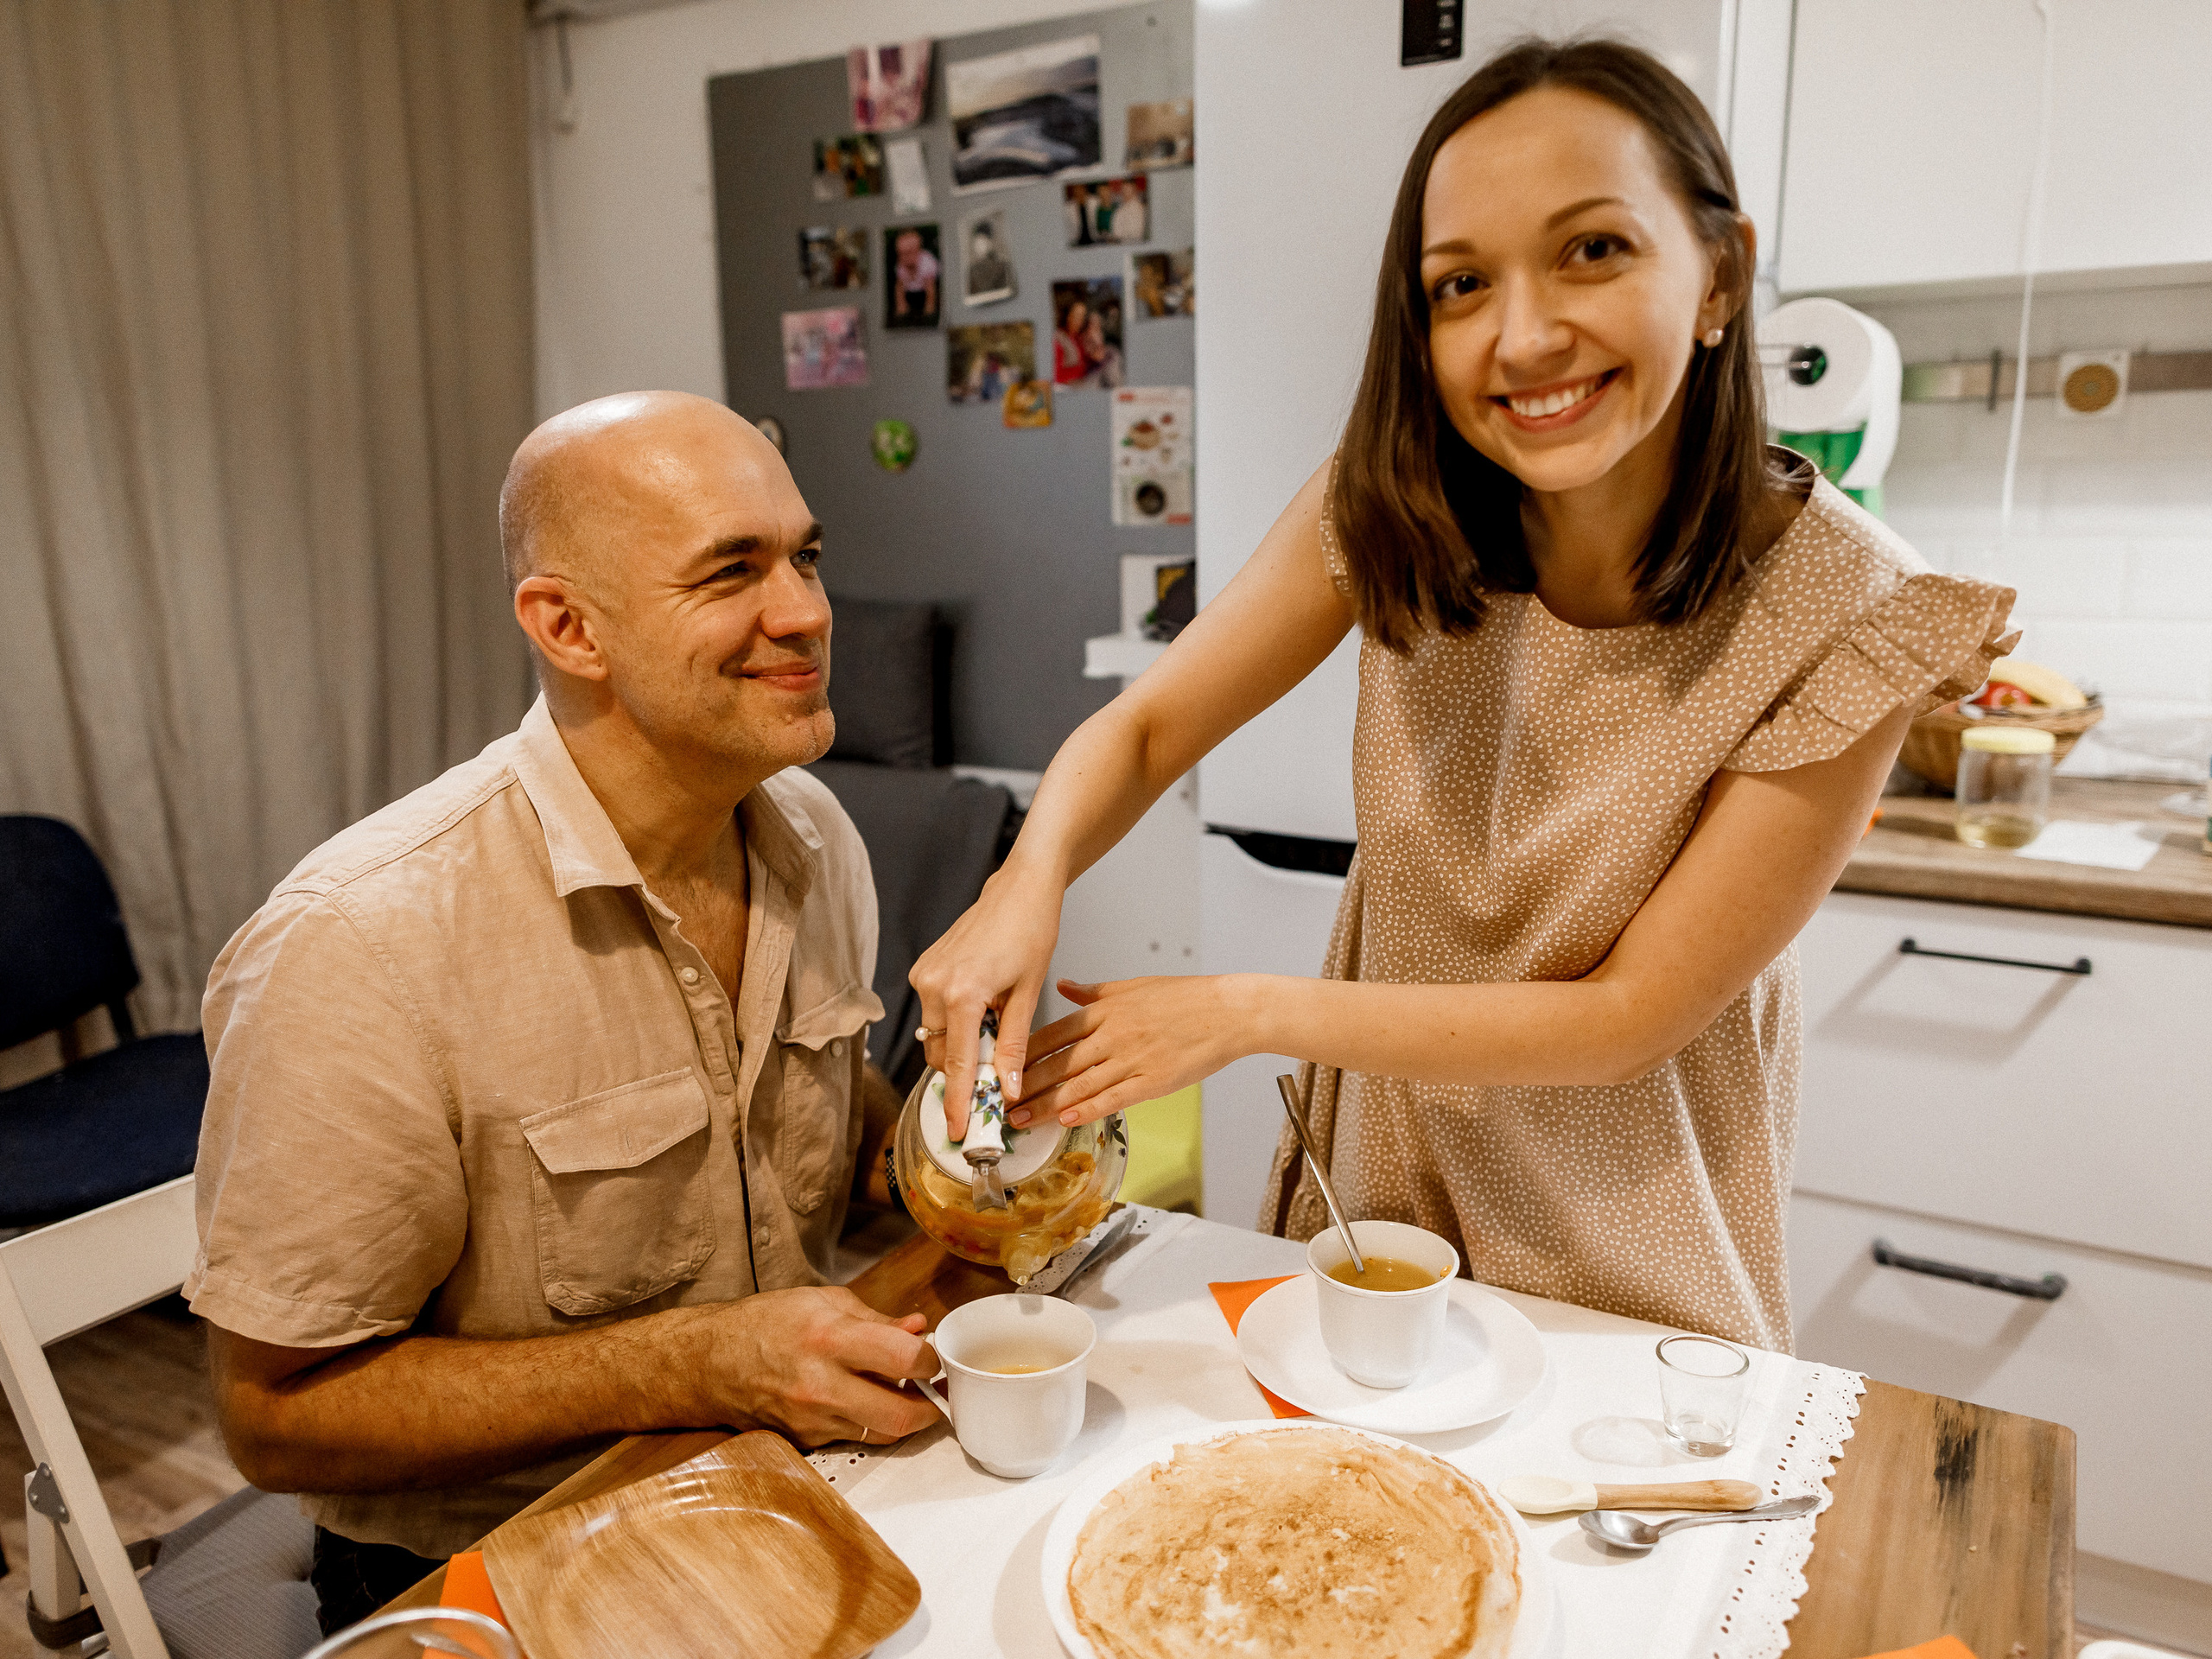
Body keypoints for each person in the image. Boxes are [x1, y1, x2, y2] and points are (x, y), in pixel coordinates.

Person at [912, 40, 2016, 1355]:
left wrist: (1242, 1011)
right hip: (1393, 1151)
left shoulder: (1853, 608)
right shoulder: (1390, 508)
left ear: (1720, 275)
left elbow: (1627, 1023)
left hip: (1631, 1203)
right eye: (1460, 284)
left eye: (1594, 251)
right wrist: (1021, 885)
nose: (1524, 334)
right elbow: (1151, 726)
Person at [189, 391, 940, 1633]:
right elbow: (275, 1416)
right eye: (731, 571)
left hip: (791, 1487)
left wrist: (953, 1148)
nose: (808, 611)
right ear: (568, 626)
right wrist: (701, 1361)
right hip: (501, 1566)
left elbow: (815, 1119)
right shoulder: (360, 942)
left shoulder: (812, 834)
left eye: (806, 555)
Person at [890, 226, 938, 326]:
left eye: (908, 253)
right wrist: (901, 307)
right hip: (911, 292)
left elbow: (930, 290)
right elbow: (899, 286)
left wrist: (929, 310)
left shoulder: (927, 263)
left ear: (918, 251)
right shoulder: (901, 266)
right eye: (901, 254)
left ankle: (930, 313)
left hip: (924, 291)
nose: (904, 258)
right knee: (899, 288)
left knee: (931, 298)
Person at [1054, 295, 1092, 386]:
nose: (1081, 321)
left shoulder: (1076, 337)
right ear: (1067, 316)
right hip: (1072, 386)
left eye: (1083, 317)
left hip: (1085, 379)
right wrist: (1081, 369)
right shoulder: (1058, 340)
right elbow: (1056, 376)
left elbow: (1083, 360)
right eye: (1077, 316)